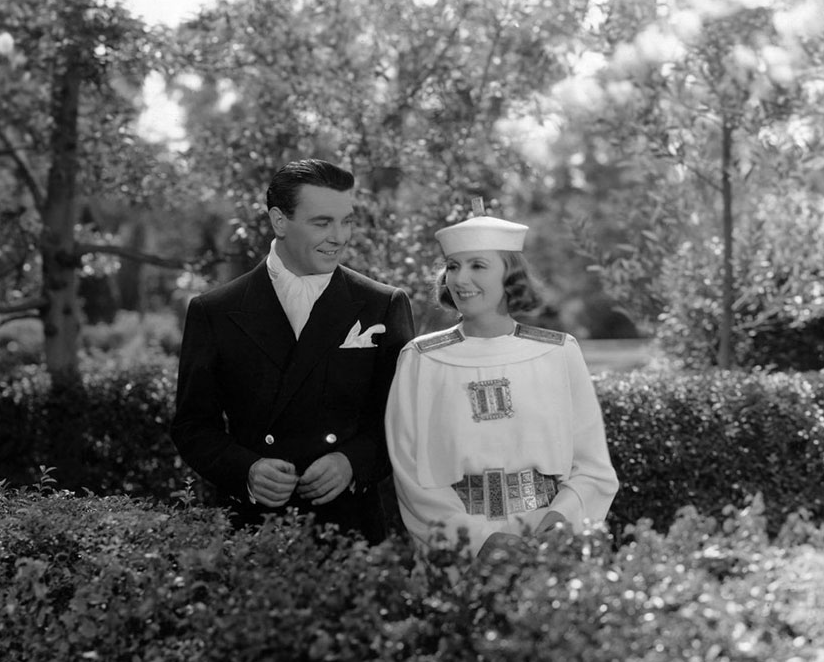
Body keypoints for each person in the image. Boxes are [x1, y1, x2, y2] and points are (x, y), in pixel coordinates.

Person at [172, 159, 415, 542]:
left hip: (352, 535)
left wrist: (352, 462)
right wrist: (246, 470)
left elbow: (403, 420)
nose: (340, 236)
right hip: (252, 531)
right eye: (322, 222)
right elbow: (192, 425)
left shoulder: (383, 305)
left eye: (347, 221)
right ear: (279, 221)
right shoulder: (213, 311)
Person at [384, 207, 619, 561]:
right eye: (452, 265)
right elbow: (410, 473)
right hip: (461, 552)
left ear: (511, 276)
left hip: (547, 547)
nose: (461, 279)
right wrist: (481, 541)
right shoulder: (421, 360)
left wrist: (559, 526)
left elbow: (592, 466)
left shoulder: (557, 353)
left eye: (478, 265)